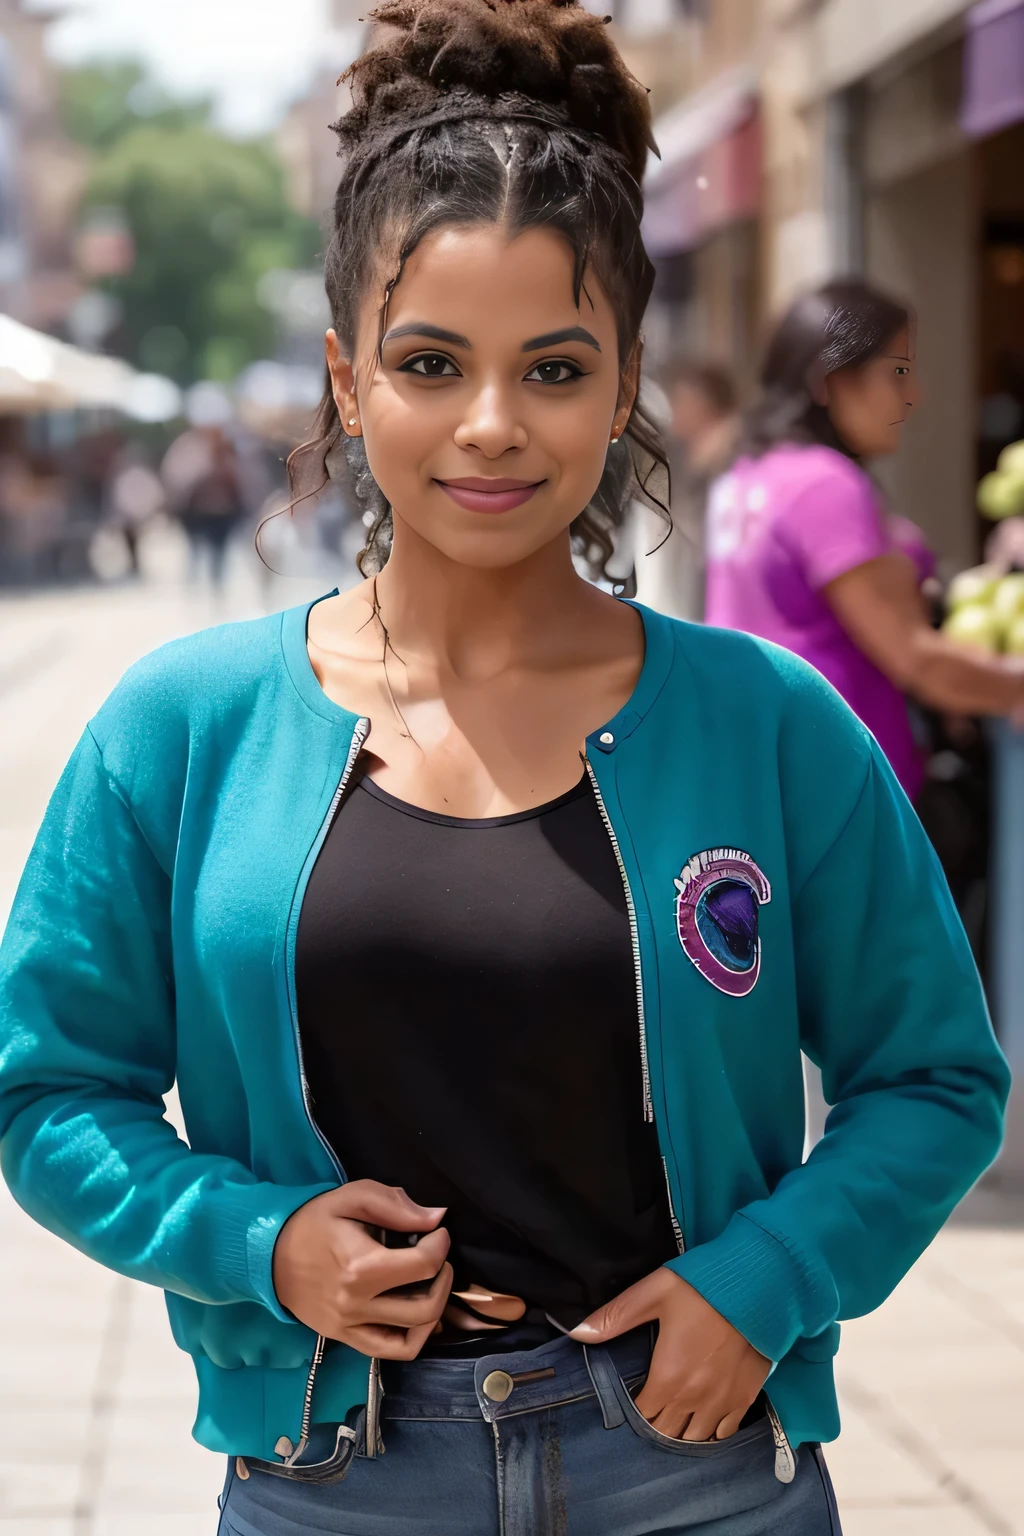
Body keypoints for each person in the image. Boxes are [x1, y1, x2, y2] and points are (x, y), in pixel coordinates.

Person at [0, 7, 1008, 1535]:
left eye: (553, 366)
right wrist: (256, 1243)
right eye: (428, 362)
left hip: (699, 1465)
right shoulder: (181, 724)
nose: (490, 425)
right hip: (328, 1483)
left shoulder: (771, 722)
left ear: (623, 386)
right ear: (347, 379)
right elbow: (48, 1088)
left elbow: (934, 1077)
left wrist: (768, 1283)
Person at [705, 280, 1024, 804]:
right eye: (897, 372)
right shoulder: (824, 484)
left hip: (764, 777)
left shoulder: (747, 475)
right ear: (832, 380)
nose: (913, 394)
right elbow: (916, 660)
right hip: (836, 791)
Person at [634, 359, 739, 621]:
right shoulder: (699, 457)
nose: (674, 411)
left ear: (702, 404)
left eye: (681, 401)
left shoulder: (727, 457)